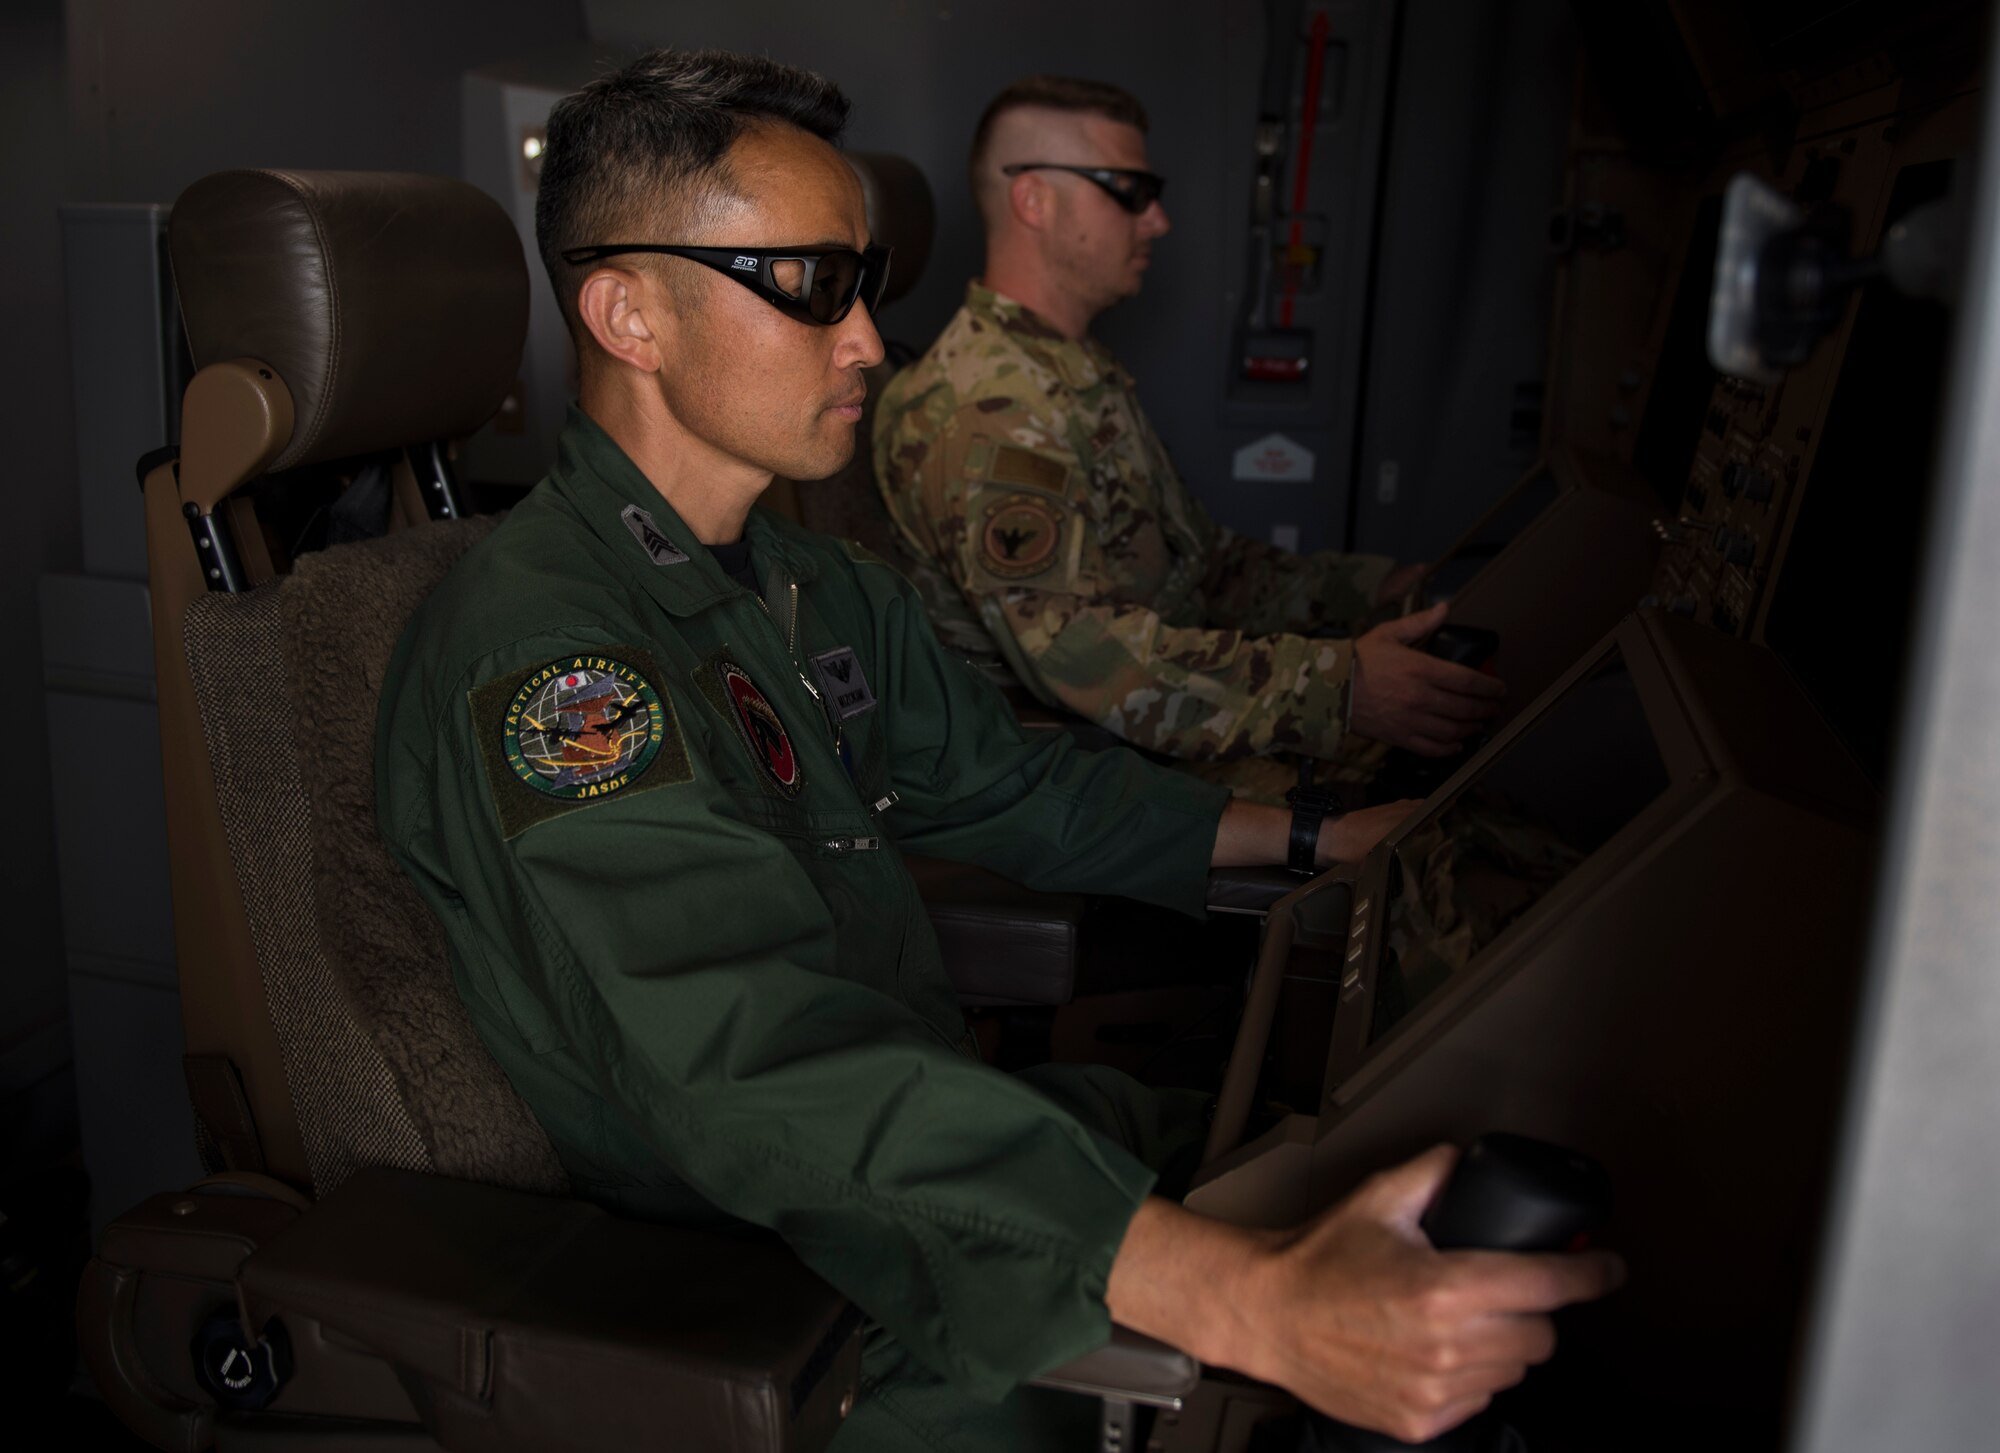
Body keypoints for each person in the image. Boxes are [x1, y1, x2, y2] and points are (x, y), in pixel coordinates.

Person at [375, 49, 1620, 1453]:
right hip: (785, 1266)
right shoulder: (553, 664)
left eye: (868, 284)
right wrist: (1246, 1298)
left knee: (1349, 1142)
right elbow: (751, 1066)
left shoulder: (802, 585)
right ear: (628, 314)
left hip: (923, 1146)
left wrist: (1323, 842)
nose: (866, 344)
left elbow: (1014, 783)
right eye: (809, 287)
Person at [873, 76, 1508, 805]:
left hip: (1163, 734)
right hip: (1096, 770)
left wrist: (1369, 591)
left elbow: (1204, 569)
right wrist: (1339, 691)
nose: (1159, 221)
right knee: (1456, 846)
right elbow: (1090, 659)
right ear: (1034, 200)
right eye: (1131, 190)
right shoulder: (988, 410)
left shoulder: (1071, 372)